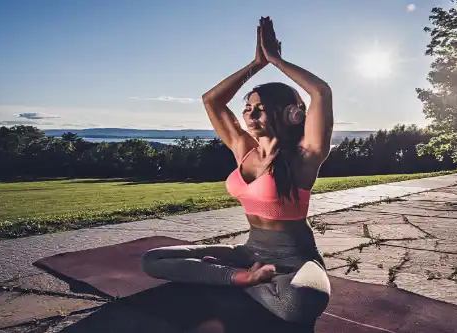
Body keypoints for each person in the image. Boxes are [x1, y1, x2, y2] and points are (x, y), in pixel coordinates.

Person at [141, 16, 334, 325]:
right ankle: (243, 279)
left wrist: (276, 61)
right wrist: (256, 63)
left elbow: (321, 92)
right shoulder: (243, 150)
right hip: (248, 251)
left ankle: (231, 280)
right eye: (247, 108)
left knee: (300, 303)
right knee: (153, 259)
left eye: (259, 108)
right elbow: (211, 100)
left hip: (296, 260)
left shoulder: (304, 156)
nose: (249, 114)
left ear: (290, 114)